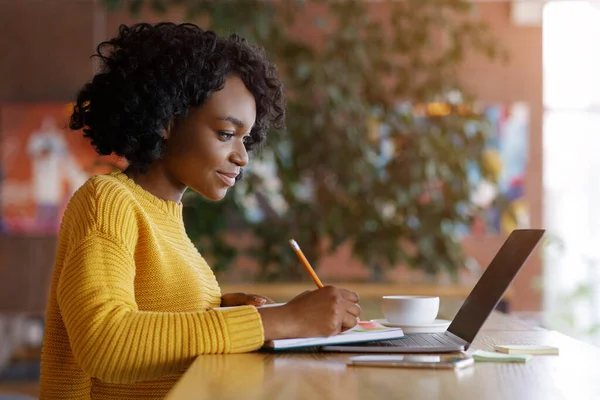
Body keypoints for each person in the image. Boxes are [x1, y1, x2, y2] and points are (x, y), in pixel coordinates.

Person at [39, 22, 361, 399]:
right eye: (226, 134)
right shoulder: (107, 200)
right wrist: (281, 320)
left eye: (246, 139)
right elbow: (105, 344)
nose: (242, 156)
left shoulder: (167, 220)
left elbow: (156, 318)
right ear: (165, 121)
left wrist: (220, 310)